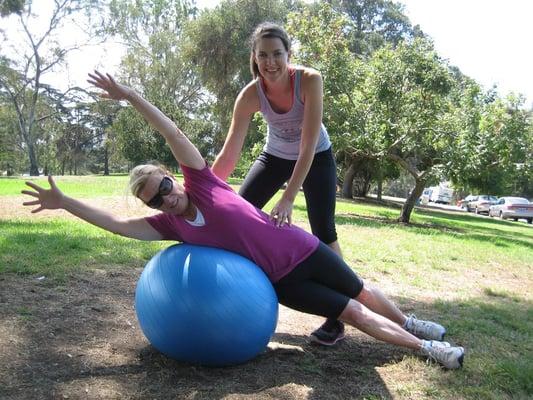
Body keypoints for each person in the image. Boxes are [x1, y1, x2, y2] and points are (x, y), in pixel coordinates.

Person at [22, 71, 465, 369]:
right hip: (283, 282)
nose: (165, 199)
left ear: (173, 177)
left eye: (163, 186)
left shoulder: (204, 183)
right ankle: (428, 349)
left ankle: (410, 323)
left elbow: (172, 133)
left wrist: (130, 96)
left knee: (361, 288)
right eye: (154, 201)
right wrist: (66, 202)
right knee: (351, 311)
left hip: (301, 247)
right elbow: (116, 225)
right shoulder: (169, 227)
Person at [212, 22, 344, 345]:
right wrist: (205, 190)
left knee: (324, 230)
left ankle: (338, 316)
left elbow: (308, 146)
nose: (270, 62)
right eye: (263, 55)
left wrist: (288, 197)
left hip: (316, 156)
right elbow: (230, 155)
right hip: (274, 156)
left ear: (288, 54)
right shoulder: (249, 95)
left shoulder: (309, 81)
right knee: (236, 216)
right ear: (254, 57)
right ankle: (235, 294)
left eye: (277, 54)